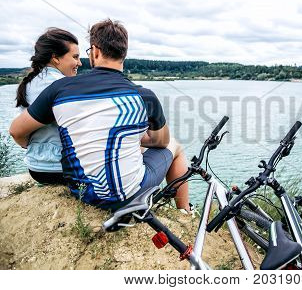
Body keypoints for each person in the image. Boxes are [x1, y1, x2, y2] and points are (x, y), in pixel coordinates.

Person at [9, 19, 190, 211]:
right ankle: (184, 212)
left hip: (80, 190)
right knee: (174, 145)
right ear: (124, 53)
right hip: (125, 196)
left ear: (95, 51)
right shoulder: (144, 95)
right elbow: (161, 142)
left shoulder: (60, 88)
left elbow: (16, 130)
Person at [15, 28, 82, 185]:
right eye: (75, 57)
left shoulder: (30, 82)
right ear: (55, 58)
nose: (79, 62)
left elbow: (21, 134)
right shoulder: (63, 85)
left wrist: (34, 146)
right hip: (60, 169)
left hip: (35, 168)